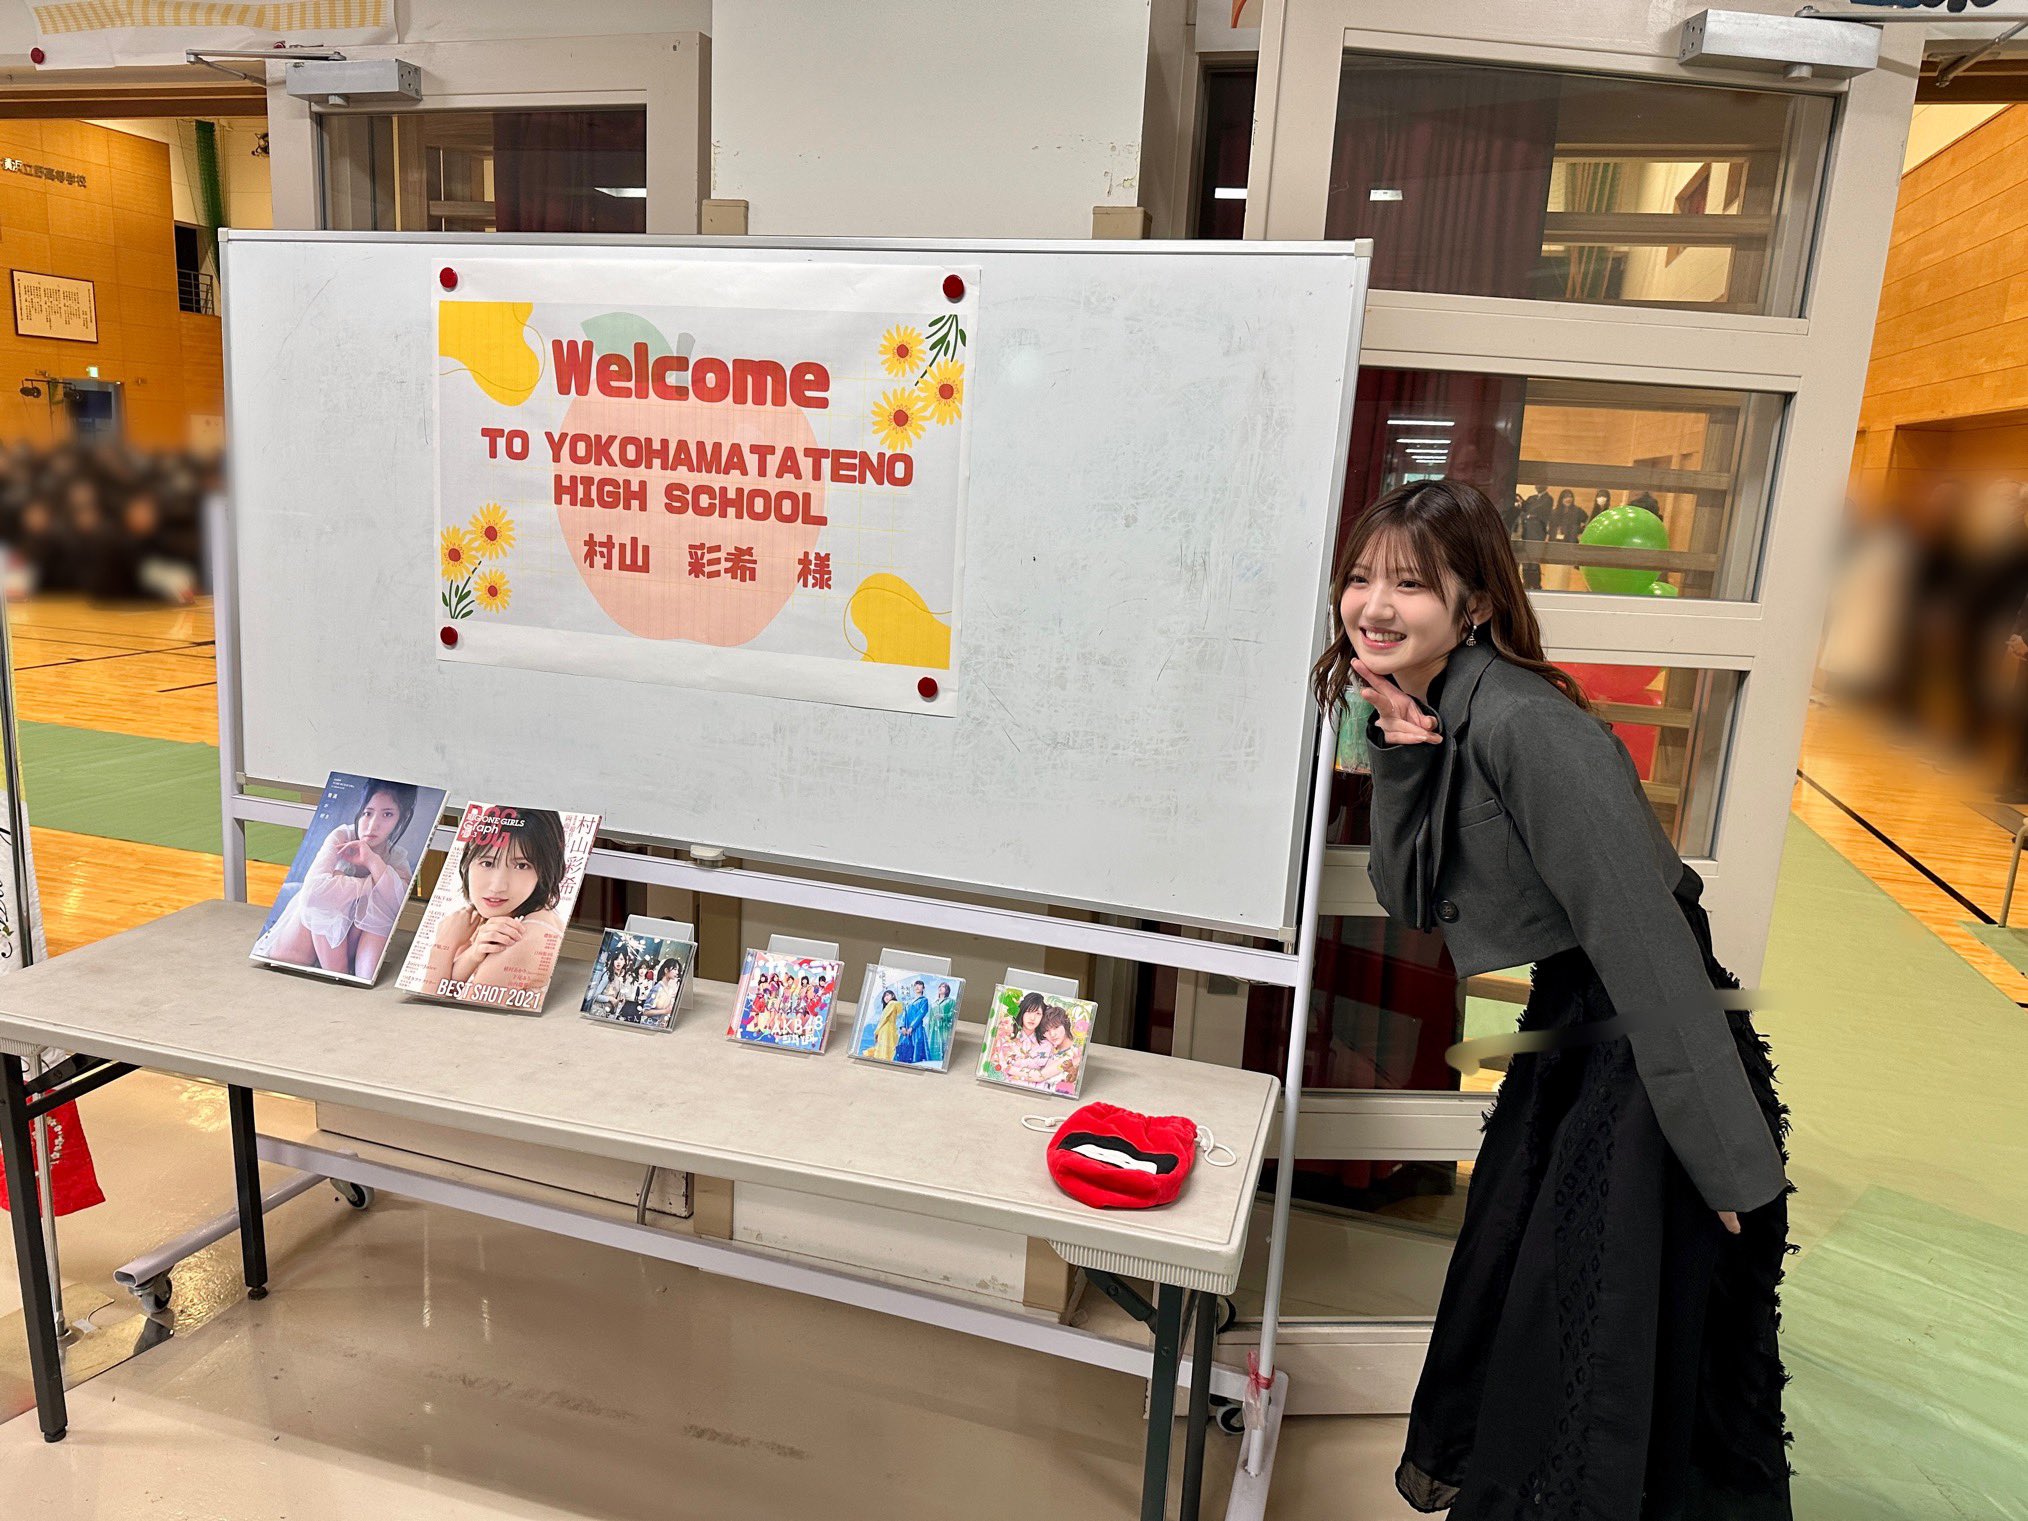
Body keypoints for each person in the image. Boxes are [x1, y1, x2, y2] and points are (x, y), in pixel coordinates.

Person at [1316, 478, 1792, 1519]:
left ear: (1476, 602)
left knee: (1597, 1338)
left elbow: (1648, 944)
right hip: (1580, 1027)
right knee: (1536, 1308)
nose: (1374, 606)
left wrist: (1724, 1161)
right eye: (1360, 577)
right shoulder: (1438, 706)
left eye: (1410, 583)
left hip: (1647, 1035)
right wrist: (1402, 759)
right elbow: (1411, 896)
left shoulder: (1530, 726)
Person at [257, 781, 419, 980]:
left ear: (402, 818)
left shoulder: (396, 857)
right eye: (367, 813)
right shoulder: (342, 836)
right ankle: (339, 975)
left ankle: (345, 978)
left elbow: (397, 904)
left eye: (387, 814)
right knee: (326, 901)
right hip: (293, 953)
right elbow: (312, 893)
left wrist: (371, 860)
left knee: (378, 903)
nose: (372, 825)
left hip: (343, 954)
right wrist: (372, 884)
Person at [418, 808, 571, 1002]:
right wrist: (473, 954)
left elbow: (429, 1012)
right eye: (488, 863)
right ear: (468, 860)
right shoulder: (494, 921)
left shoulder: (519, 939)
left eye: (521, 865)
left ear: (545, 869)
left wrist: (443, 946)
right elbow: (447, 993)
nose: (497, 886)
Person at [895, 979, 934, 1064]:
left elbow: (921, 1014)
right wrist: (902, 1027)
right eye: (915, 985)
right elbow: (904, 1014)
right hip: (906, 1029)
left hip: (917, 1029)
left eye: (919, 985)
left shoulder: (924, 1000)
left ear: (923, 988)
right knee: (903, 1048)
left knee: (917, 1047)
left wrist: (912, 1027)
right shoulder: (909, 1002)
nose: (917, 987)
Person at [863, 986, 903, 1060]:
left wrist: (876, 1032)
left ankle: (882, 1058)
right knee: (890, 1046)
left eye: (887, 995)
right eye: (884, 996)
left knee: (883, 1047)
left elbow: (884, 1018)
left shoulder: (891, 1004)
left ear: (893, 996)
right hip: (892, 1028)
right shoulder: (895, 1005)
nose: (886, 997)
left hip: (885, 1028)